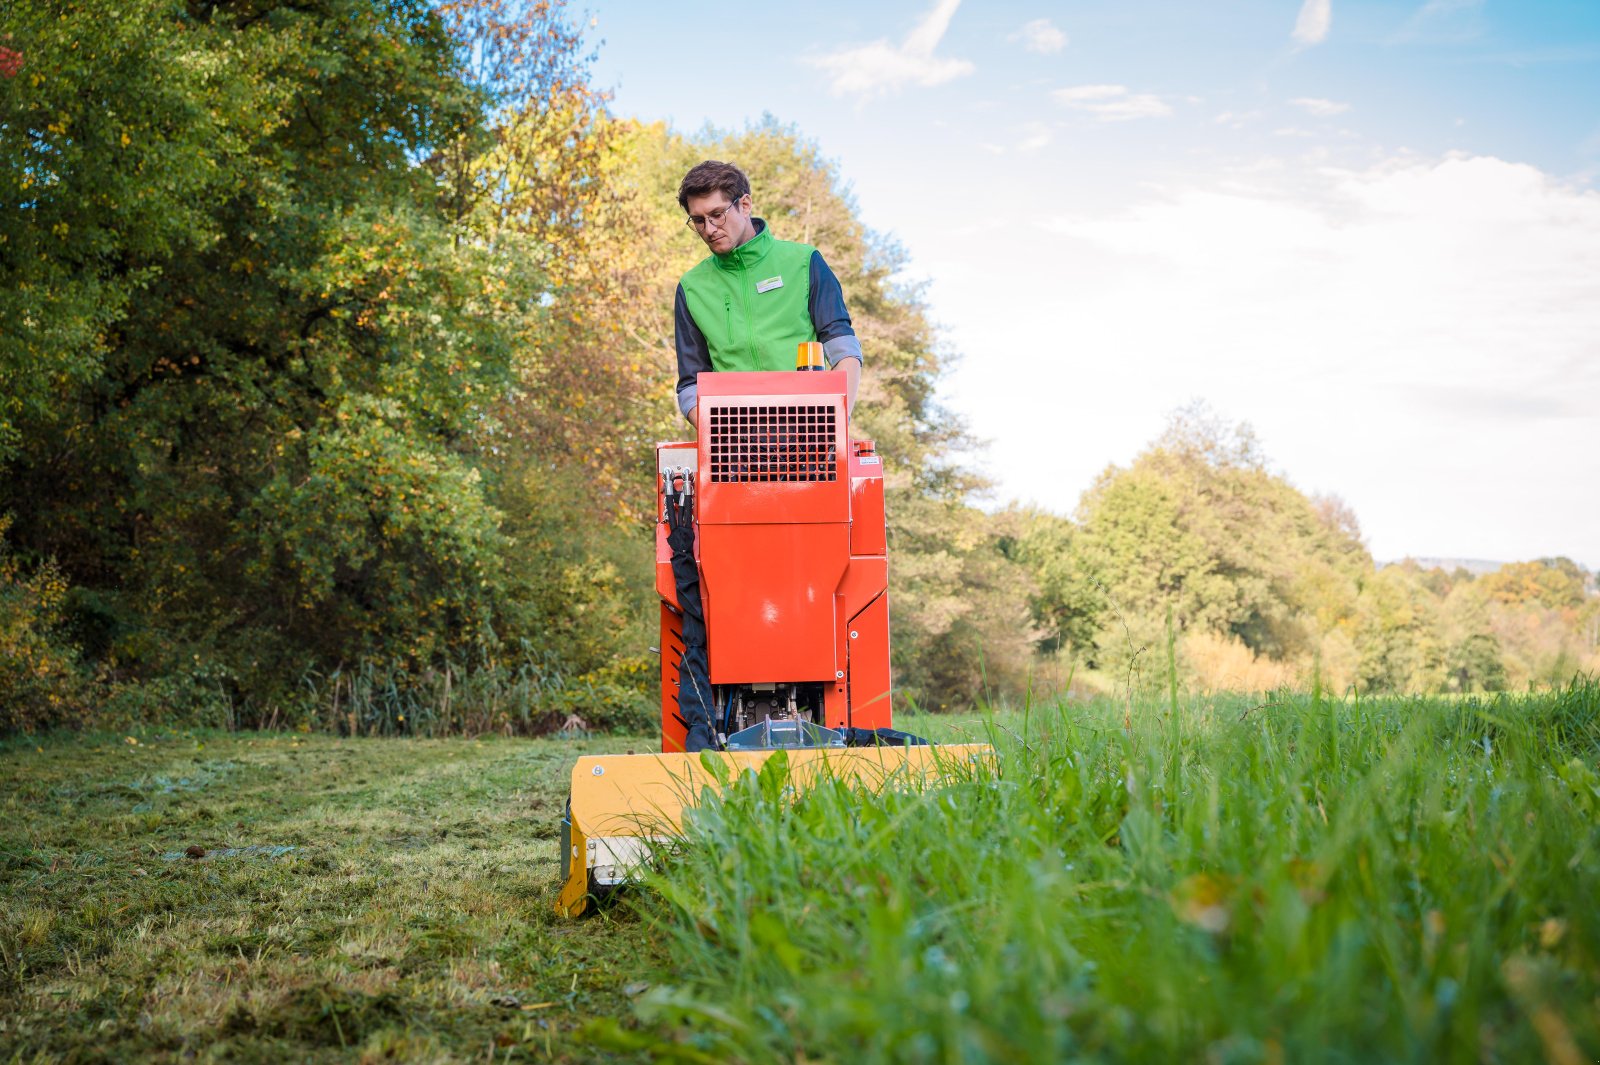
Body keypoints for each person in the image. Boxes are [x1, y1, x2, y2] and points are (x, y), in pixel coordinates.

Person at [673, 160, 861, 425]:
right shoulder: (692, 287)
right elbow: (691, 386)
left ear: (745, 205)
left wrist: (836, 424)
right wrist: (721, 439)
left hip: (809, 437)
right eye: (699, 221)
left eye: (717, 214)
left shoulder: (804, 262)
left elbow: (844, 351)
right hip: (734, 450)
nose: (710, 229)